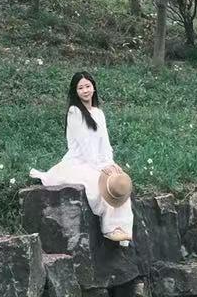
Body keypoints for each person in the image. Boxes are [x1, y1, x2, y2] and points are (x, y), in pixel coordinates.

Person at [30, 71, 135, 243]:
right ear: (75, 91)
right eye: (80, 88)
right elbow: (85, 146)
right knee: (98, 183)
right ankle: (109, 228)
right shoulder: (74, 112)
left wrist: (111, 163)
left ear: (93, 87)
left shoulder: (98, 113)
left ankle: (122, 228)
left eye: (88, 86)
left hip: (99, 161)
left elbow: (105, 144)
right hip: (79, 162)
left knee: (118, 182)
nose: (85, 90)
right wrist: (102, 167)